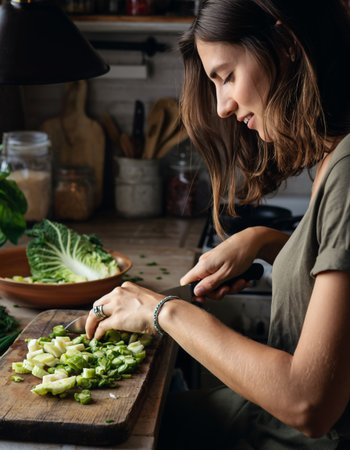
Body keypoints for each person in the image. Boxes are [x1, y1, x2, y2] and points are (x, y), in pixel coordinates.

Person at [85, 0, 350, 448]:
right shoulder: (333, 156)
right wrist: (263, 242)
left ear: (286, 45)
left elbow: (309, 403)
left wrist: (162, 312)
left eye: (227, 76)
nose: (223, 106)